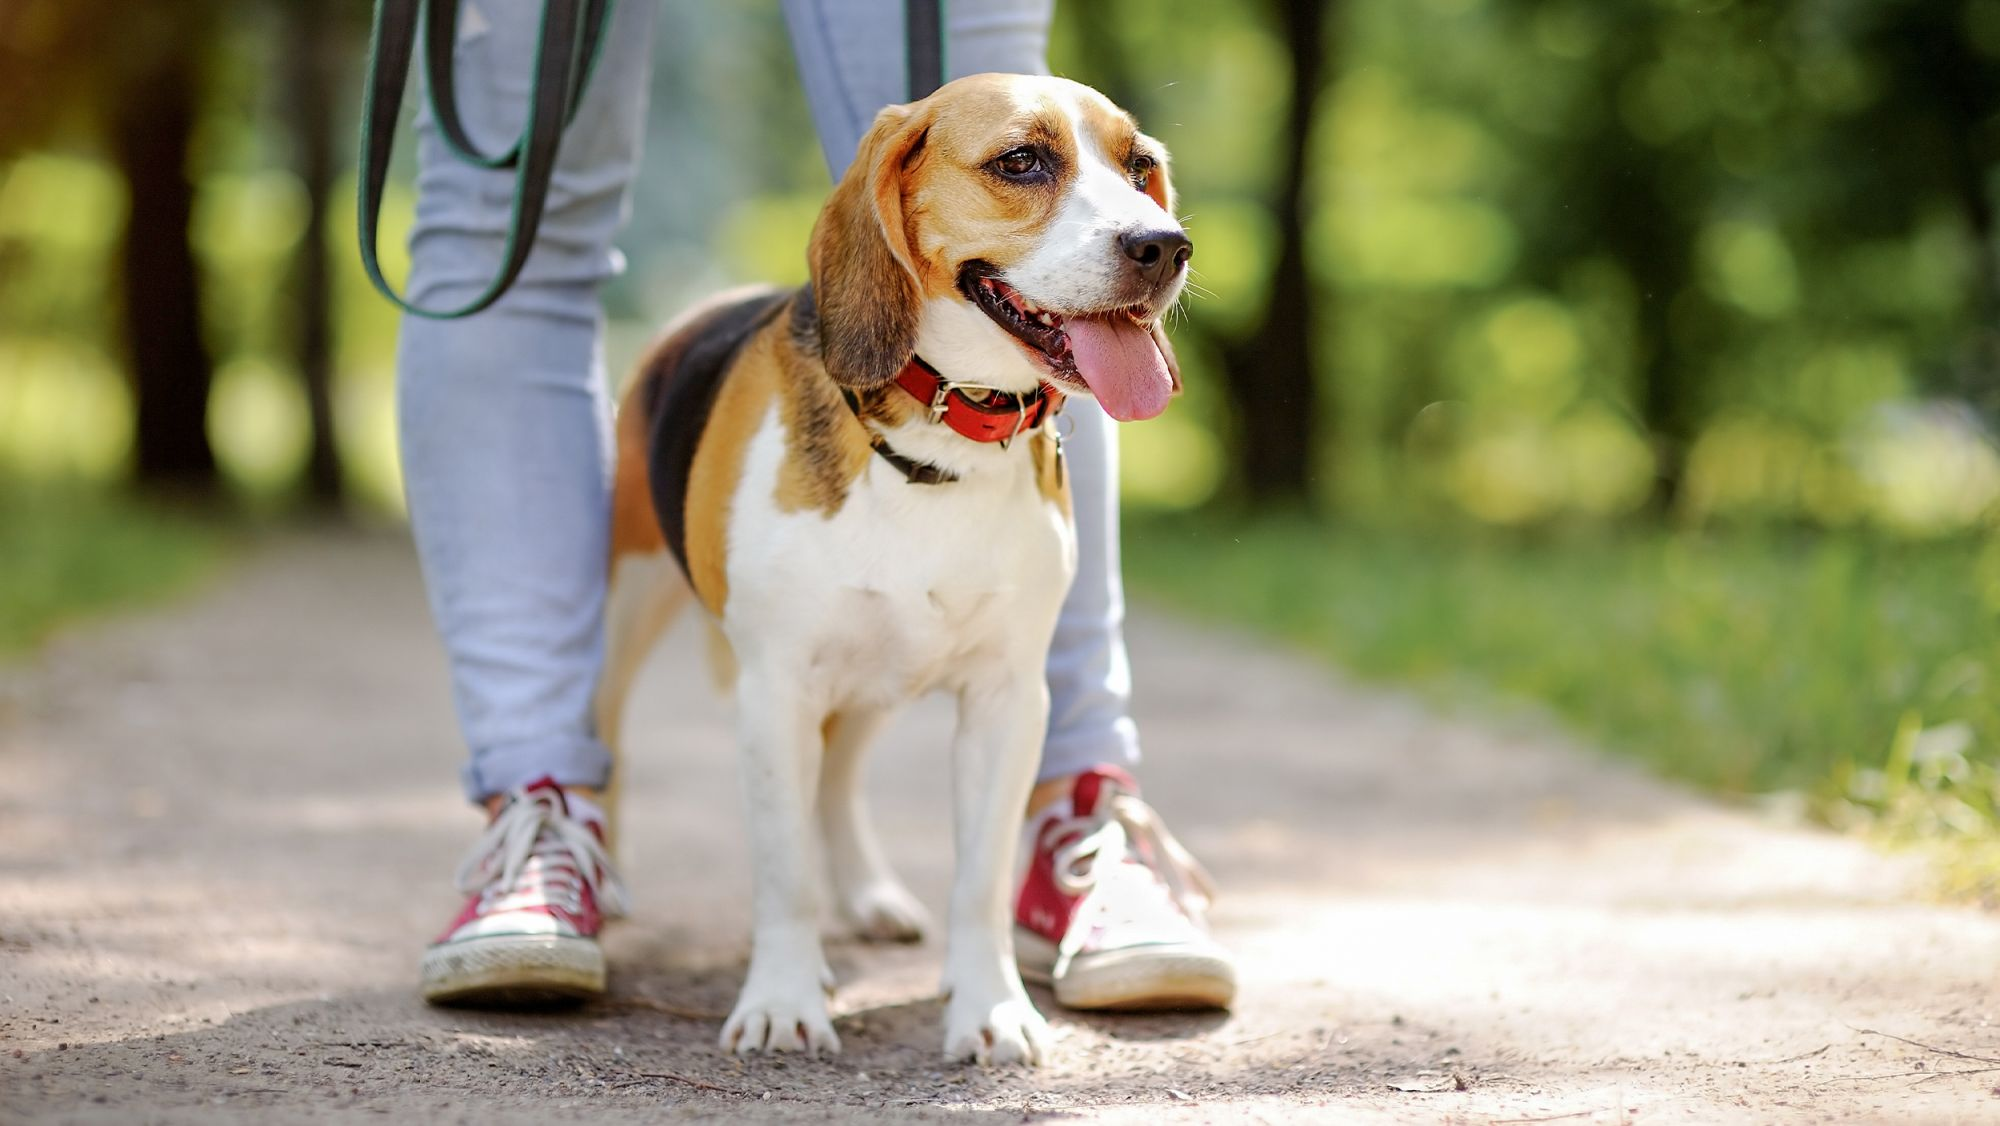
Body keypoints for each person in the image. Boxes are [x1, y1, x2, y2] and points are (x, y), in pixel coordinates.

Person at [402, 0, 1237, 1015]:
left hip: (998, 478)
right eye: (1024, 165)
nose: (1149, 229)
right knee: (506, 218)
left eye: (1134, 171)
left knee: (977, 672)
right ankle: (545, 807)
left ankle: (1078, 814)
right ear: (894, 206)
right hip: (776, 437)